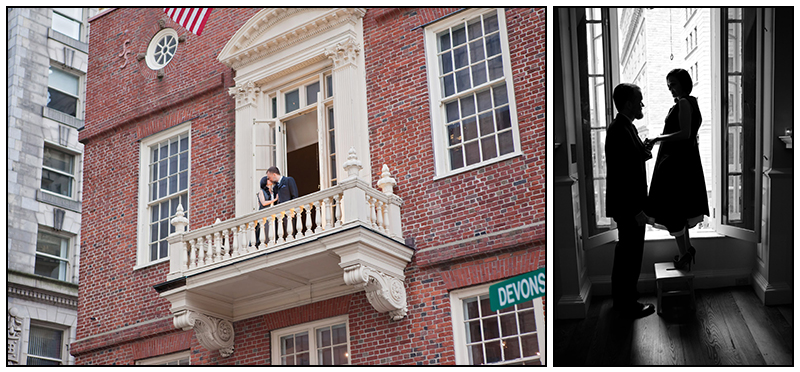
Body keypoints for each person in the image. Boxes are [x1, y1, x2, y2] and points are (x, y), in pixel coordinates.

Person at [644, 69, 709, 271]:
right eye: (668, 85)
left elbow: (685, 133)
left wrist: (657, 139)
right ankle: (686, 251)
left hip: (677, 165)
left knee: (673, 209)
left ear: (683, 83)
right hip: (684, 162)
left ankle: (684, 254)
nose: (670, 88)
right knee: (680, 209)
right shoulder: (692, 102)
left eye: (672, 84)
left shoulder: (683, 102)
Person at [605, 83, 655, 319]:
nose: (642, 104)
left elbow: (632, 161)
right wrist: (636, 211)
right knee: (629, 257)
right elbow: (623, 176)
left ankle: (623, 302)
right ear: (628, 104)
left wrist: (644, 150)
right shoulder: (619, 130)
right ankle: (626, 304)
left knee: (627, 254)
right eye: (639, 100)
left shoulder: (627, 128)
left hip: (629, 206)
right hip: (629, 207)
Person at [255, 176, 278, 247]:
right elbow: (263, 203)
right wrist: (274, 200)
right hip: (264, 214)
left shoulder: (273, 191)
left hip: (272, 214)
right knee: (264, 232)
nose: (270, 180)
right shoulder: (261, 192)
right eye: (268, 179)